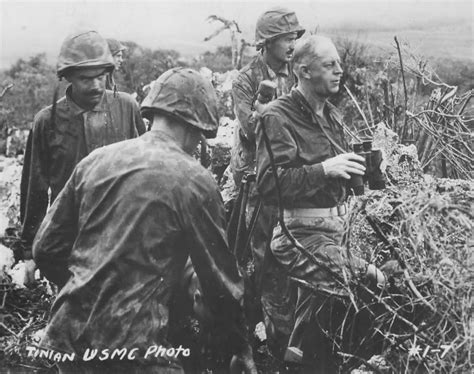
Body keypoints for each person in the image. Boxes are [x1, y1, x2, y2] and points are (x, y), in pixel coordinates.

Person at [32, 67, 257, 374]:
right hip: (137, 349)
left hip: (66, 340)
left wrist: (90, 290)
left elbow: (46, 249)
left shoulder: (95, 161)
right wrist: (240, 349)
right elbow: (219, 284)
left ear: (153, 114)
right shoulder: (194, 179)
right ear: (197, 127)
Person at [255, 35, 387, 372]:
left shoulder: (331, 115)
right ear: (303, 70)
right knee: (371, 278)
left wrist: (368, 170)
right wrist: (324, 169)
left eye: (339, 64)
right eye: (329, 65)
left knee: (390, 270)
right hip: (299, 232)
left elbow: (342, 179)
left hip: (338, 230)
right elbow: (270, 184)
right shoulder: (277, 116)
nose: (340, 71)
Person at [20, 30, 146, 265]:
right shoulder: (47, 121)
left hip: (122, 231)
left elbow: (147, 166)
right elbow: (34, 186)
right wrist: (29, 249)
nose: (96, 85)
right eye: (86, 79)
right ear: (68, 77)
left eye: (101, 76)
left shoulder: (127, 107)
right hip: (70, 237)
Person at [229, 6, 305, 354]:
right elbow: (250, 129)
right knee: (257, 257)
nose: (292, 44)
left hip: (290, 176)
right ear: (267, 42)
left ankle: (282, 332)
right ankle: (247, 333)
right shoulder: (246, 80)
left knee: (291, 251)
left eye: (294, 37)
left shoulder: (296, 75)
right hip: (256, 180)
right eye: (286, 38)